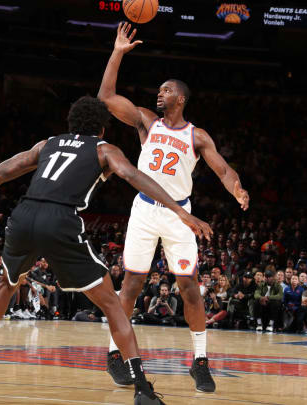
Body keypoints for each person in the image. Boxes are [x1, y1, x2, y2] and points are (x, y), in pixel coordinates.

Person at [0, 96, 211, 404]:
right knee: (113, 305)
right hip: (60, 220)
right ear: (101, 129)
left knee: (6, 284)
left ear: (71, 123)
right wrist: (179, 210)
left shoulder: (47, 143)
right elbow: (133, 176)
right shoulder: (105, 149)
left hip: (23, 215)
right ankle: (143, 388)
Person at [98, 22, 249, 393]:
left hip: (180, 215)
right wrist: (118, 51)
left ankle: (200, 362)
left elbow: (224, 170)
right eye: (159, 90)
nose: (159, 94)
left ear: (180, 98)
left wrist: (237, 189)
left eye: (166, 91)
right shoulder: (146, 121)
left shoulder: (197, 137)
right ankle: (115, 353)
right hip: (146, 209)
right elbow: (106, 97)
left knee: (190, 289)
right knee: (132, 283)